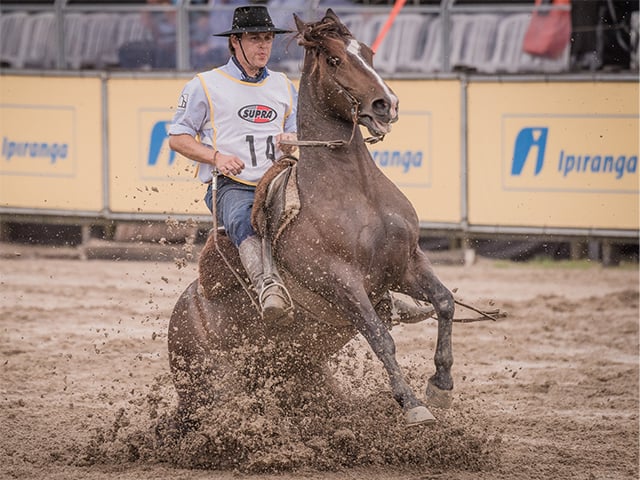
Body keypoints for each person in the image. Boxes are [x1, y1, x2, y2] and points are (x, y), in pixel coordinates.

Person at [168, 5, 298, 323]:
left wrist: (292, 138)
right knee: (243, 218)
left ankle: (374, 292)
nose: (263, 46)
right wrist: (217, 157)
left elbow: (297, 131)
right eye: (255, 39)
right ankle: (268, 286)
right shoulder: (205, 85)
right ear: (235, 42)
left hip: (281, 178)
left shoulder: (283, 85)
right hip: (230, 185)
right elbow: (177, 138)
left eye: (267, 38)